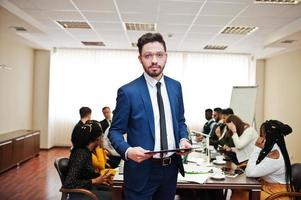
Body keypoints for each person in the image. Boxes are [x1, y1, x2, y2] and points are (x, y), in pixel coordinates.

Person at [108, 32, 191, 200]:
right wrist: (128, 151)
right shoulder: (128, 91)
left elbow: (180, 121)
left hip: (170, 169)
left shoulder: (176, 87)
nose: (154, 60)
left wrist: (184, 139)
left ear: (166, 57)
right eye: (148, 55)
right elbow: (115, 131)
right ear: (140, 58)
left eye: (159, 55)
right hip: (140, 171)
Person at [231, 120, 293, 200]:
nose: (259, 138)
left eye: (261, 135)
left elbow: (250, 173)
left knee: (240, 192)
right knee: (238, 189)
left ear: (269, 136)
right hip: (268, 186)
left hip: (277, 194)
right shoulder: (273, 148)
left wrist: (256, 148)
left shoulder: (275, 155)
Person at [64, 121, 113, 200]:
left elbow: (86, 173)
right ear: (97, 138)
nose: (103, 137)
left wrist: (101, 178)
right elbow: (69, 183)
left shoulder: (87, 151)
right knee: (116, 195)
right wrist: (94, 180)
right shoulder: (81, 153)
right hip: (81, 194)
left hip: (87, 189)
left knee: (117, 191)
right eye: (102, 135)